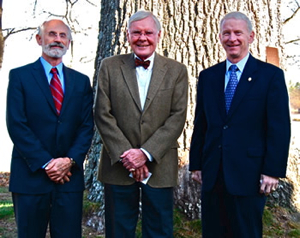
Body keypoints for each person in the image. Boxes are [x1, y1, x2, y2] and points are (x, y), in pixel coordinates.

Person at [189, 11, 290, 238]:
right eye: (226, 33)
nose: (232, 38)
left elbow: (279, 127)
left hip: (250, 175)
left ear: (251, 36)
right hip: (213, 173)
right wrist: (196, 163)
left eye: (238, 33)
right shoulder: (208, 77)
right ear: (220, 37)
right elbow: (201, 124)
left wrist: (272, 171)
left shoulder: (270, 76)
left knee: (246, 232)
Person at [95, 10, 188, 238]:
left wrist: (145, 154)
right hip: (118, 164)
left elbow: (177, 116)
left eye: (148, 32)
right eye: (136, 32)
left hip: (160, 164)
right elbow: (101, 113)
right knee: (118, 230)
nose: (142, 37)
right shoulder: (109, 66)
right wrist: (128, 156)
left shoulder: (176, 71)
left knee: (159, 231)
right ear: (128, 35)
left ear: (158, 35)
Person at [6, 19, 94, 238]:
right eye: (52, 34)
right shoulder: (19, 76)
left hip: (69, 179)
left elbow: (86, 126)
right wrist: (47, 163)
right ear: (39, 39)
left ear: (69, 42)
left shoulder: (81, 81)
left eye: (63, 35)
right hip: (30, 176)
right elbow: (17, 124)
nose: (57, 39)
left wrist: (69, 161)